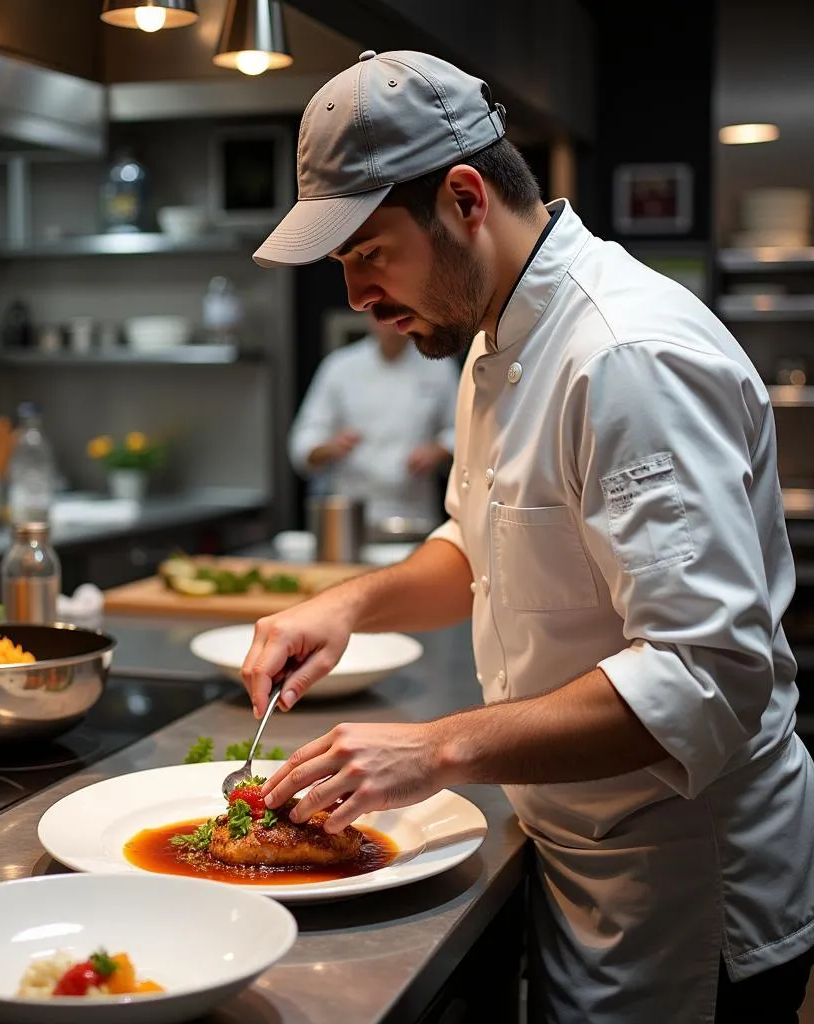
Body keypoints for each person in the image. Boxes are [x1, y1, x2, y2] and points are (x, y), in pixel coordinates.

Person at [243, 49, 814, 1023]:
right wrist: (349, 602)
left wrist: (434, 749)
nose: (355, 297)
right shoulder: (491, 337)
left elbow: (706, 674)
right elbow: (479, 539)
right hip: (575, 848)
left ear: (465, 198)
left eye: (368, 252)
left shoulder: (626, 356)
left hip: (681, 890)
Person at [289, 310, 459, 528]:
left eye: (397, 313)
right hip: (351, 514)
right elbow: (303, 441)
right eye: (382, 313)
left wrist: (437, 450)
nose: (389, 323)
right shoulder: (340, 367)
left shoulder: (439, 367)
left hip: (415, 514)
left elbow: (463, 432)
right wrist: (331, 447)